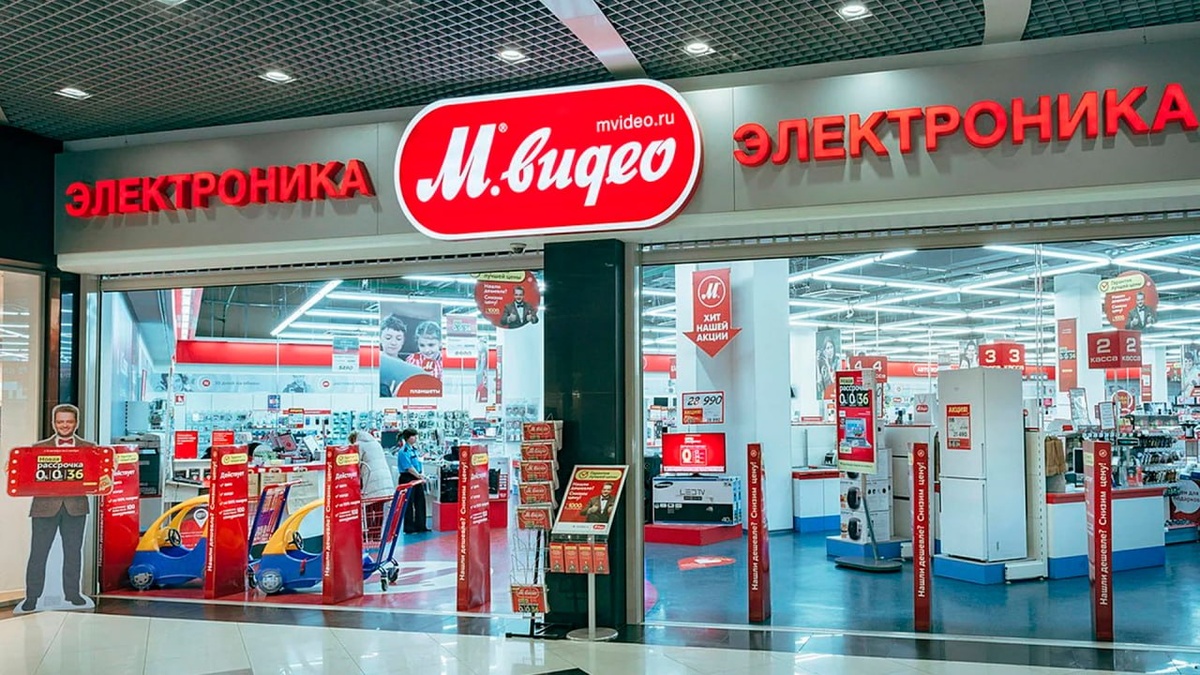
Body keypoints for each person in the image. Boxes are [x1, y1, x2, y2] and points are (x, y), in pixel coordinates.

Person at [23, 404, 93, 612]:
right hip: (44, 507)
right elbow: (28, 477)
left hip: (76, 507)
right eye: (60, 421)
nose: (64, 425)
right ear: (54, 423)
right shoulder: (37, 448)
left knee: (73, 553)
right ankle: (32, 597)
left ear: (76, 423)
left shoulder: (90, 447)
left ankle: (72, 594)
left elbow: (95, 476)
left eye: (69, 421)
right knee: (38, 553)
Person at [397, 429, 429, 533]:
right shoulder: (403, 451)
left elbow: (418, 463)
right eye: (413, 436)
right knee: (408, 503)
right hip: (407, 478)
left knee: (420, 502)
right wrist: (419, 476)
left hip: (417, 478)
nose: (415, 438)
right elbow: (409, 467)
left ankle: (421, 526)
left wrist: (421, 475)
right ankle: (409, 528)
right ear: (407, 438)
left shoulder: (414, 450)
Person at [350, 430, 396, 500]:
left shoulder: (358, 445)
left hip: (371, 481)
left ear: (353, 439)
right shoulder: (376, 443)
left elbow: (355, 464)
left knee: (370, 501)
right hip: (386, 481)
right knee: (380, 502)